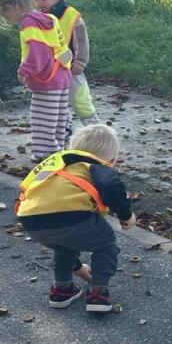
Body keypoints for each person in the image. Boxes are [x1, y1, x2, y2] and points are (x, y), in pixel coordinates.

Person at [14, 123, 135, 315]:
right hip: (72, 216)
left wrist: (77, 267)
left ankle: (62, 289)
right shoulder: (94, 166)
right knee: (106, 245)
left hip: (30, 219)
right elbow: (112, 186)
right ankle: (98, 293)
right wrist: (126, 214)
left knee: (64, 246)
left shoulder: (58, 166)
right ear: (111, 161)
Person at [0, 0, 73, 160]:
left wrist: (24, 70)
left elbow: (38, 52)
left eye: (7, 15)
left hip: (46, 80)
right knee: (58, 119)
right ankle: (58, 150)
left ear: (13, 6)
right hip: (61, 75)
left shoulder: (29, 24)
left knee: (42, 119)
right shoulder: (47, 18)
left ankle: (45, 154)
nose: (9, 20)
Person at [29, 0, 97, 124]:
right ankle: (64, 130)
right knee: (56, 105)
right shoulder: (37, 17)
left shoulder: (72, 17)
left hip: (71, 67)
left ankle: (95, 129)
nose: (39, 3)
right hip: (49, 72)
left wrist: (81, 61)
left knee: (81, 102)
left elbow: (82, 41)